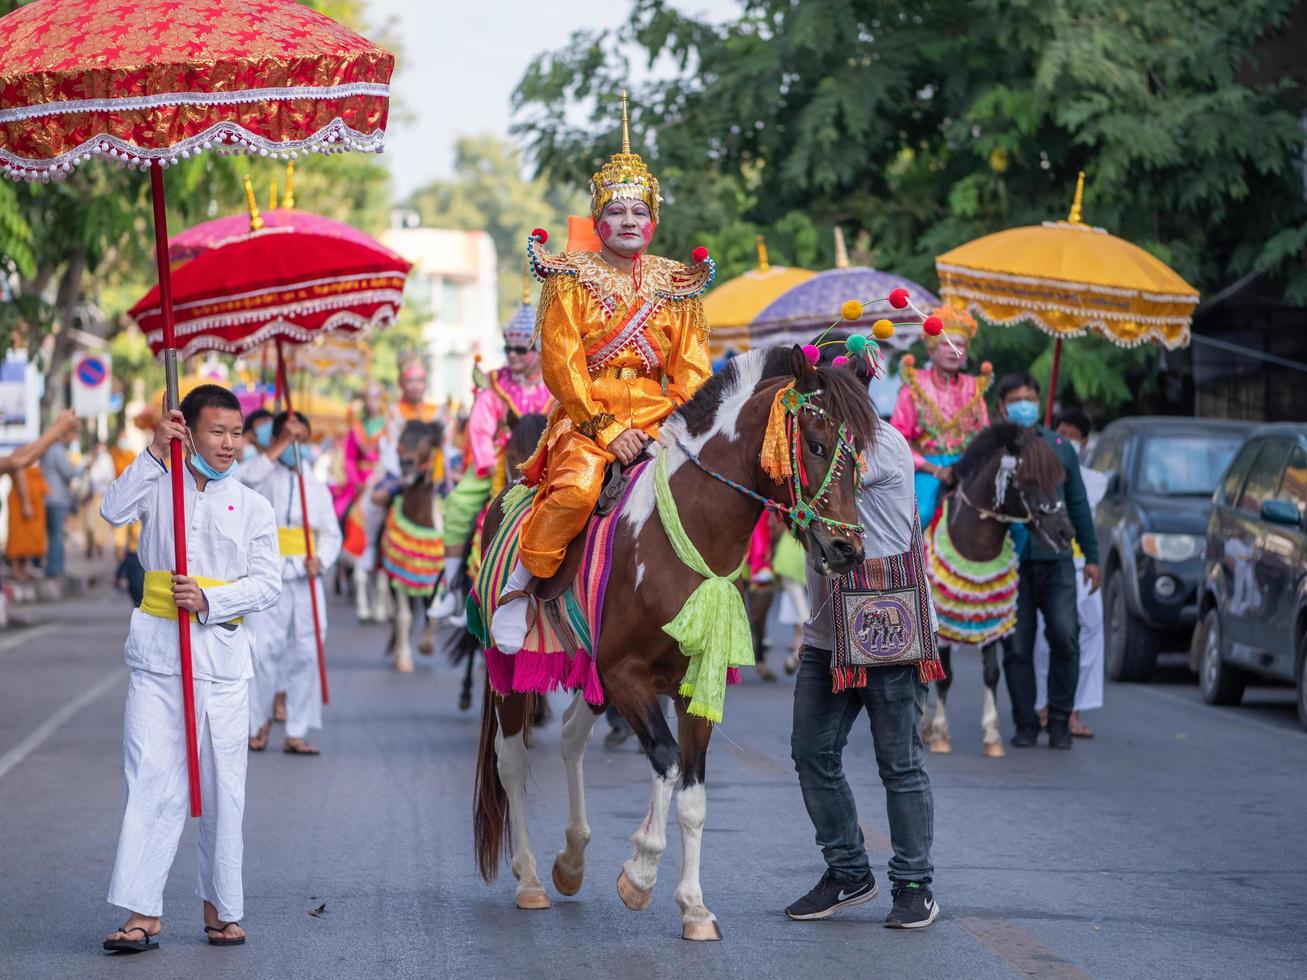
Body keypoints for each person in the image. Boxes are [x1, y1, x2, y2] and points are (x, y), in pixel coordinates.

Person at [493, 93, 713, 653]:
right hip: (586, 417)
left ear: (654, 221)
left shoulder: (676, 285)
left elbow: (691, 372)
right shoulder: (569, 277)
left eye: (639, 211)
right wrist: (609, 432)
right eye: (617, 211)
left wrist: (672, 430)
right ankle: (522, 585)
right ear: (598, 221)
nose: (629, 220)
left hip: (661, 418)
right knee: (574, 491)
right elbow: (562, 367)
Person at [99, 385, 280, 953]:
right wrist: (154, 453)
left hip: (223, 668)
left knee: (225, 790)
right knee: (151, 780)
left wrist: (209, 601)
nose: (228, 443)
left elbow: (268, 584)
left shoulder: (254, 505)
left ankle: (220, 908)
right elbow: (111, 511)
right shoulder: (159, 485)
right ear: (189, 431)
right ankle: (141, 913)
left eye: (236, 431)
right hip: (158, 661)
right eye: (216, 431)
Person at [788, 364, 939, 928]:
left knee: (899, 764)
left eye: (830, 390)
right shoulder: (811, 442)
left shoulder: (885, 445)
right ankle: (849, 871)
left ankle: (915, 883)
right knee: (810, 752)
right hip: (829, 630)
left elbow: (827, 473)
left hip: (885, 627)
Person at [433, 286, 553, 621]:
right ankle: (453, 589)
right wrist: (489, 465)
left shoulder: (556, 381)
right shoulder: (494, 384)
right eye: (508, 348)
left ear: (538, 349)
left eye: (520, 349)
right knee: (457, 505)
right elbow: (479, 428)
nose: (511, 355)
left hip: (551, 462)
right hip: (499, 464)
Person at [994, 374, 1100, 750]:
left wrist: (1091, 557)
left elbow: (1078, 506)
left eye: (1031, 397)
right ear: (1003, 406)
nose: (1025, 404)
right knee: (1017, 647)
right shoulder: (997, 447)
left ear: (1039, 403)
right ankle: (1025, 723)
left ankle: (1059, 722)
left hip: (1057, 559)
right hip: (1013, 562)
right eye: (1017, 399)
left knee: (1064, 636)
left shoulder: (1060, 447)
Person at [242, 411, 342, 755]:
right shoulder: (259, 477)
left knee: (306, 653)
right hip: (265, 579)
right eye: (288, 437)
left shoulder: (316, 489)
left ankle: (296, 730)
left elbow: (332, 535)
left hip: (306, 580)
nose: (294, 445)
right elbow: (242, 478)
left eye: (301, 438)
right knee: (262, 651)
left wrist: (323, 559)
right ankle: (257, 725)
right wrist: (281, 441)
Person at [1035, 408, 1107, 738]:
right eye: (1061, 434)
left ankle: (1075, 710)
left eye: (1074, 437)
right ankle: (1043, 707)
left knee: (1090, 635)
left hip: (1081, 566)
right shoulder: (1039, 470)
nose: (1067, 442)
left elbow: (1078, 505)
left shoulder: (1096, 480)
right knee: (1046, 639)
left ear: (1085, 442)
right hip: (1053, 562)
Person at [890, 306, 991, 527]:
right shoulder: (914, 388)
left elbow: (985, 437)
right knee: (922, 513)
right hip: (927, 466)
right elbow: (899, 439)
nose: (954, 350)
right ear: (932, 350)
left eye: (961, 344)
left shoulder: (975, 389)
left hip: (967, 467)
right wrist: (934, 469)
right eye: (946, 343)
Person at [3, 411, 80, 597]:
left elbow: (19, 458)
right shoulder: (55, 451)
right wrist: (57, 430)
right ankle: (47, 569)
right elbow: (19, 460)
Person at [41, 420, 84, 594]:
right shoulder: (57, 450)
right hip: (56, 499)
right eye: (71, 434)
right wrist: (82, 467)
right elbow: (69, 472)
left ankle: (54, 567)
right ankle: (55, 569)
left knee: (54, 535)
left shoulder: (49, 449)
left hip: (50, 498)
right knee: (57, 536)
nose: (72, 438)